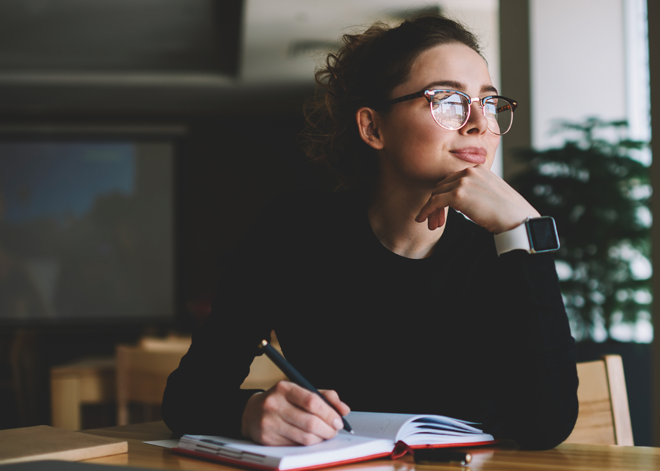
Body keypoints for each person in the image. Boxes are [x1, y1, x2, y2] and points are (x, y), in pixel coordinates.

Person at [161, 15, 578, 451]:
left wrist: (523, 232)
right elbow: (186, 397)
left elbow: (544, 428)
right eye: (448, 99)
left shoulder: (504, 253)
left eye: (489, 103)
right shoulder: (292, 232)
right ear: (372, 127)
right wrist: (248, 412)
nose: (478, 122)